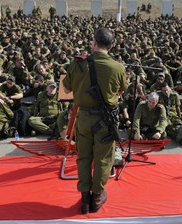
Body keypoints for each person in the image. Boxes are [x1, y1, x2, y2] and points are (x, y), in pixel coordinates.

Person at [63, 28, 127, 214]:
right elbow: (121, 91)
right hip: (106, 120)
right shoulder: (118, 67)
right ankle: (97, 197)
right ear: (112, 46)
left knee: (83, 157)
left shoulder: (78, 63)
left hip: (83, 118)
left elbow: (66, 90)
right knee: (103, 159)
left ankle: (84, 199)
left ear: (93, 42)